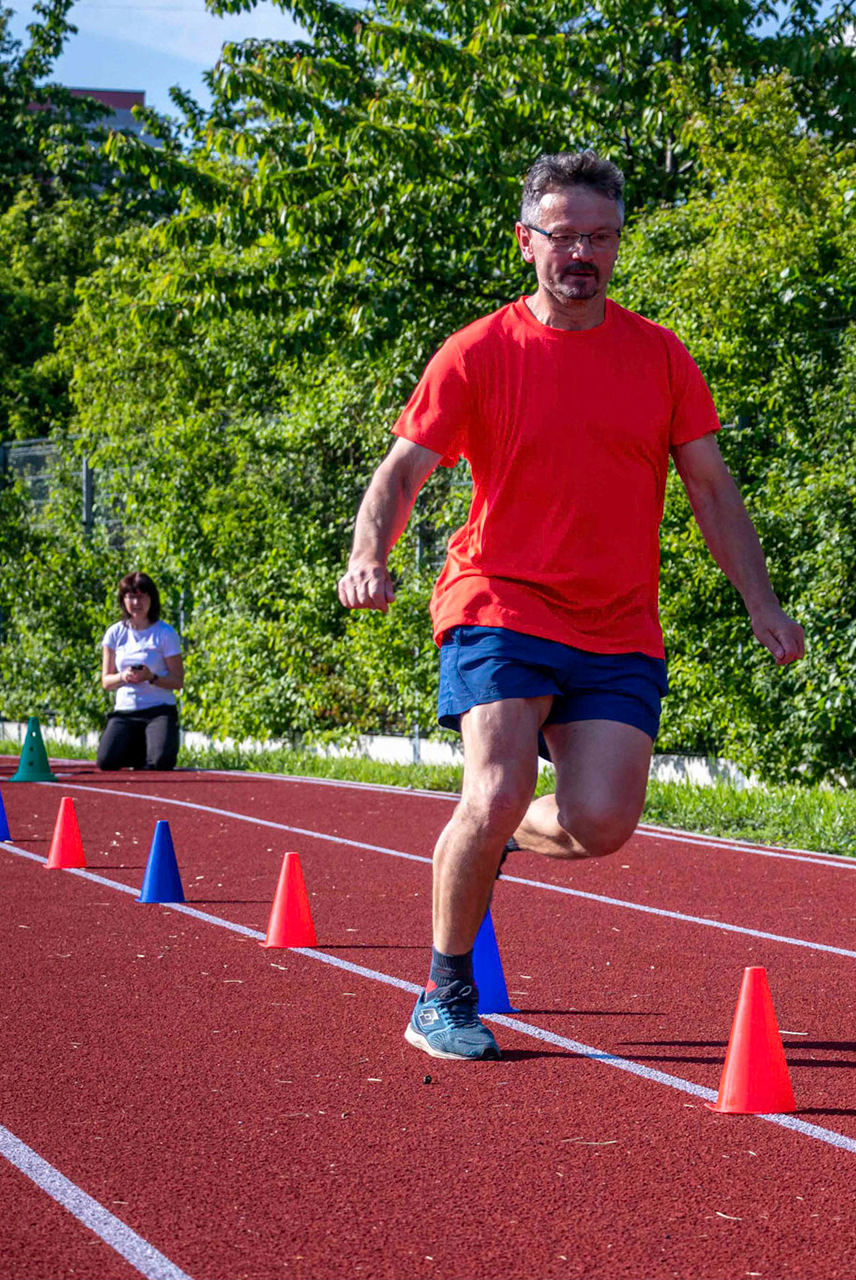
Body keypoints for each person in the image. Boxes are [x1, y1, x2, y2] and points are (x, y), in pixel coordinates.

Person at [337, 151, 805, 1062]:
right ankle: (444, 993)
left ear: (618, 244)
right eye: (564, 236)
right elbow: (400, 473)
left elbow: (712, 490)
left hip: (617, 622)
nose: (582, 253)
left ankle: (496, 840)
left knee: (602, 823)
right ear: (527, 242)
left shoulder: (660, 356)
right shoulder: (479, 351)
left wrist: (762, 602)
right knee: (496, 787)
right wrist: (368, 556)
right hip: (498, 600)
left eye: (600, 237)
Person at [97, 572, 185, 771]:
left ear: (151, 599)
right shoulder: (115, 633)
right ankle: (136, 747)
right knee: (106, 762)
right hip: (126, 711)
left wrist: (151, 677)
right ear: (123, 600)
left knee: (161, 762)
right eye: (131, 597)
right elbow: (106, 682)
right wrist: (123, 676)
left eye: (141, 597)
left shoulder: (165, 633)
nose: (136, 603)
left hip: (158, 710)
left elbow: (178, 681)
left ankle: (155, 743)